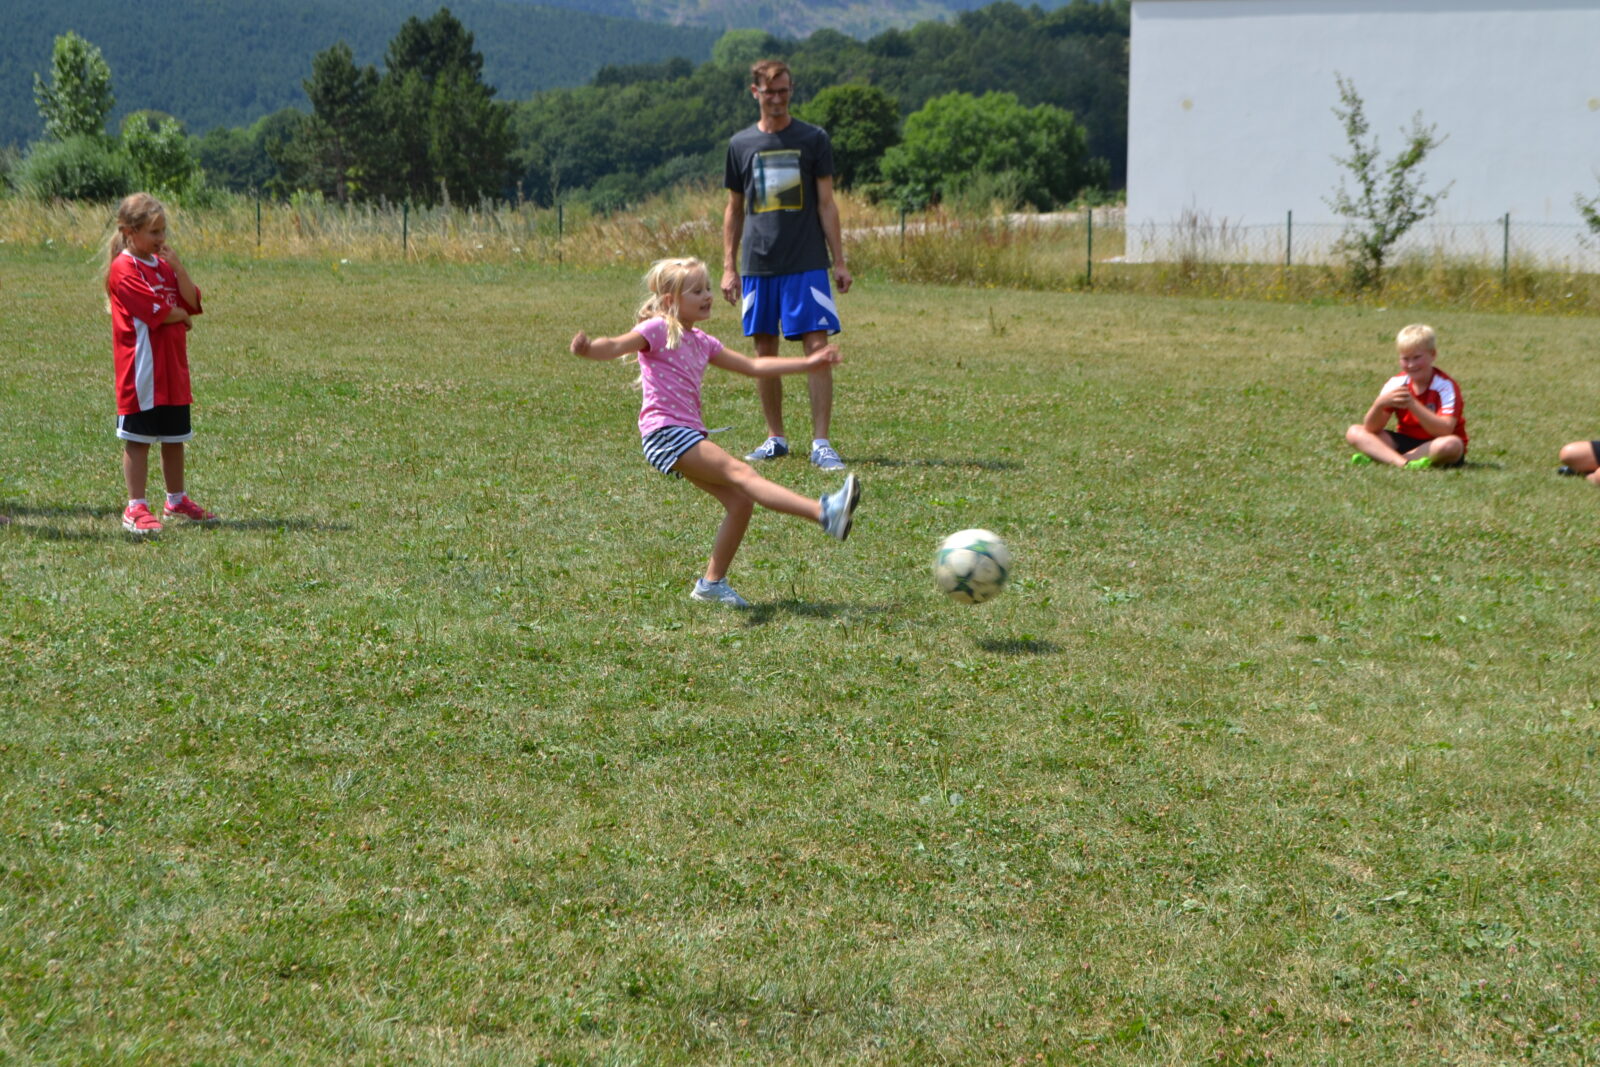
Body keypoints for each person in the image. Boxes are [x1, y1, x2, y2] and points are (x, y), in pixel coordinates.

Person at [570, 257, 862, 608]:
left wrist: (808, 363)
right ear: (670, 301)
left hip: (683, 434)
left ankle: (711, 585)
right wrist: (590, 349)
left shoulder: (703, 341)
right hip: (666, 432)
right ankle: (824, 513)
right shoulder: (657, 329)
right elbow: (616, 345)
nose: (708, 296)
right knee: (742, 474)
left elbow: (754, 366)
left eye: (707, 288)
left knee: (740, 501)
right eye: (697, 291)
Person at [721, 58, 853, 471]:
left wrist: (839, 261)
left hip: (807, 261)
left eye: (784, 91)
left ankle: (821, 443)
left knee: (817, 346)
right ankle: (775, 437)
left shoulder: (813, 139)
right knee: (764, 349)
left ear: (791, 91)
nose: (777, 99)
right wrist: (728, 266)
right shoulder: (740, 145)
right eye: (770, 92)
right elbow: (734, 209)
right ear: (755, 92)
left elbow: (827, 204)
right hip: (758, 264)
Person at [105, 192, 218, 534]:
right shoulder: (123, 268)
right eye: (153, 232)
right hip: (142, 370)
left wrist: (179, 267)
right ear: (129, 232)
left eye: (163, 230)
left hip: (172, 368)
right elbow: (158, 311)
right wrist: (179, 315)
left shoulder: (164, 264)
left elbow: (191, 300)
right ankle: (135, 507)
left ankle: (176, 501)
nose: (161, 238)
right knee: (138, 439)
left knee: (174, 437)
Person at [1346, 323, 1467, 469]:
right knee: (1354, 432)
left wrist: (1413, 404)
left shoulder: (1445, 386)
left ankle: (1386, 458)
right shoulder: (1396, 383)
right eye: (1405, 359)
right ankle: (1404, 463)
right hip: (1405, 441)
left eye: (1417, 357)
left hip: (1436, 443)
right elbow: (1371, 428)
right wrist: (1379, 404)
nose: (1411, 365)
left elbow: (1444, 430)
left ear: (1433, 354)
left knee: (1451, 444)